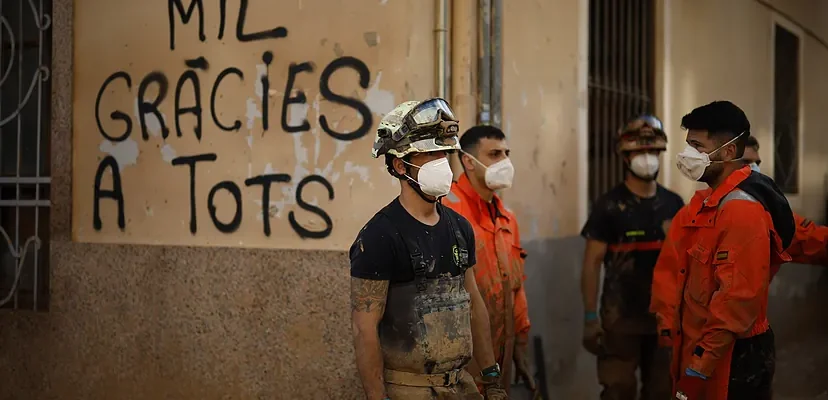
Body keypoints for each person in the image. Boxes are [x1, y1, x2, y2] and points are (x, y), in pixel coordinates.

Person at [349, 98, 509, 400]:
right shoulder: (379, 236)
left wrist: (491, 375)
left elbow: (473, 302)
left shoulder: (460, 228)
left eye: (444, 154)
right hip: (408, 390)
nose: (442, 164)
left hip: (462, 386)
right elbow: (364, 330)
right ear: (400, 165)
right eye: (430, 155)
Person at [650, 101, 795, 400]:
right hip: (706, 351)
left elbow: (734, 305)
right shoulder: (710, 204)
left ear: (728, 151)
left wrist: (697, 370)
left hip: (732, 362)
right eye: (687, 144)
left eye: (696, 146)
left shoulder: (740, 210)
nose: (687, 154)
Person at [579, 115, 683, 400]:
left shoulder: (674, 204)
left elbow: (686, 263)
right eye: (639, 152)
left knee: (663, 390)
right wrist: (590, 317)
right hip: (620, 319)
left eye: (652, 152)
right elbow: (592, 263)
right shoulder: (609, 206)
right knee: (618, 390)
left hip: (665, 320)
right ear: (625, 157)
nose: (647, 158)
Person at [442, 125, 536, 397]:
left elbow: (516, 287)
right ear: (469, 162)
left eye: (506, 153)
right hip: (458, 356)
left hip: (501, 354)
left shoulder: (506, 218)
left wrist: (520, 345)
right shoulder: (447, 212)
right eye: (494, 154)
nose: (505, 162)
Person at [742, 136, 828, 268]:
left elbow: (810, 238)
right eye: (746, 162)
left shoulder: (768, 209)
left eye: (756, 163)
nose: (753, 168)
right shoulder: (703, 206)